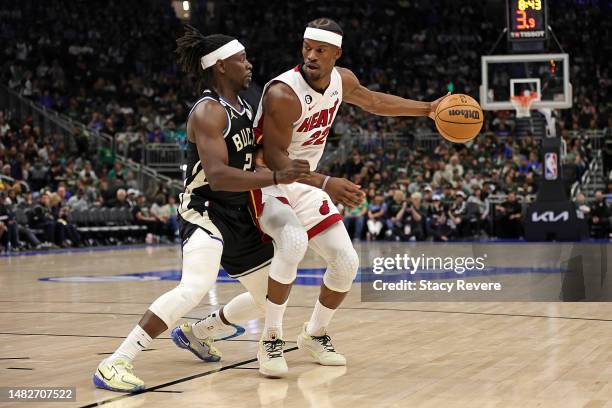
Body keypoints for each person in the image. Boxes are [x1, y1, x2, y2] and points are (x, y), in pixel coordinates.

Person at [93, 25, 310, 393]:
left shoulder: (243, 107)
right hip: (205, 209)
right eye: (242, 59)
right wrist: (275, 176)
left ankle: (198, 332)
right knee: (195, 285)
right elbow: (219, 176)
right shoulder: (208, 111)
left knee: (270, 296)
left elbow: (246, 158)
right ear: (221, 66)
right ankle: (116, 361)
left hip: (238, 212)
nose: (250, 64)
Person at [249, 18, 449, 376]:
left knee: (346, 262)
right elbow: (275, 157)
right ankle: (270, 339)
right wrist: (326, 182)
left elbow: (374, 101)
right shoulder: (283, 92)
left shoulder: (343, 80)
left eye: (320, 50)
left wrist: (428, 108)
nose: (311, 55)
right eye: (307, 47)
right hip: (267, 181)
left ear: (336, 54)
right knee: (293, 243)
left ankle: (314, 333)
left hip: (306, 182)